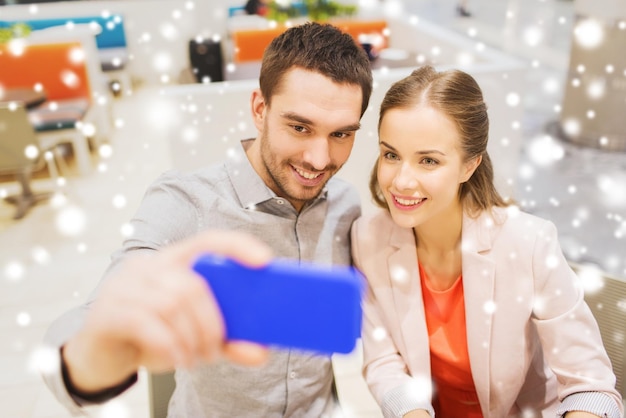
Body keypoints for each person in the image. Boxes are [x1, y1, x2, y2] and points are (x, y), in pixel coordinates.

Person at [41, 22, 373, 417]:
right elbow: (96, 312)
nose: (319, 160)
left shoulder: (345, 205)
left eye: (340, 135)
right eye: (299, 127)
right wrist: (93, 353)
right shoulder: (187, 201)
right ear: (260, 109)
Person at [351, 65, 623, 418]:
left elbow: (592, 387)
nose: (401, 181)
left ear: (469, 166)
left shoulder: (530, 244)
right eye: (391, 155)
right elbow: (384, 362)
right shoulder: (367, 237)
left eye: (428, 161)